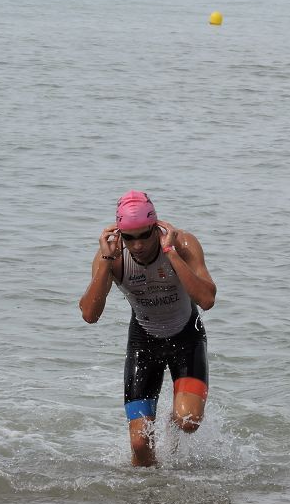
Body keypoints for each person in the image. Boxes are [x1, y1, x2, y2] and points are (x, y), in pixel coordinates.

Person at [79, 191, 217, 467]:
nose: (138, 245)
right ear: (119, 233)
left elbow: (207, 300)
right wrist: (107, 263)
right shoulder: (112, 255)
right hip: (144, 341)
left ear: (156, 228)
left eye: (144, 235)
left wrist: (171, 253)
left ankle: (172, 431)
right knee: (140, 444)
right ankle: (148, 502)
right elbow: (89, 315)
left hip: (186, 337)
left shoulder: (184, 244)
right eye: (129, 237)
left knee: (187, 421)